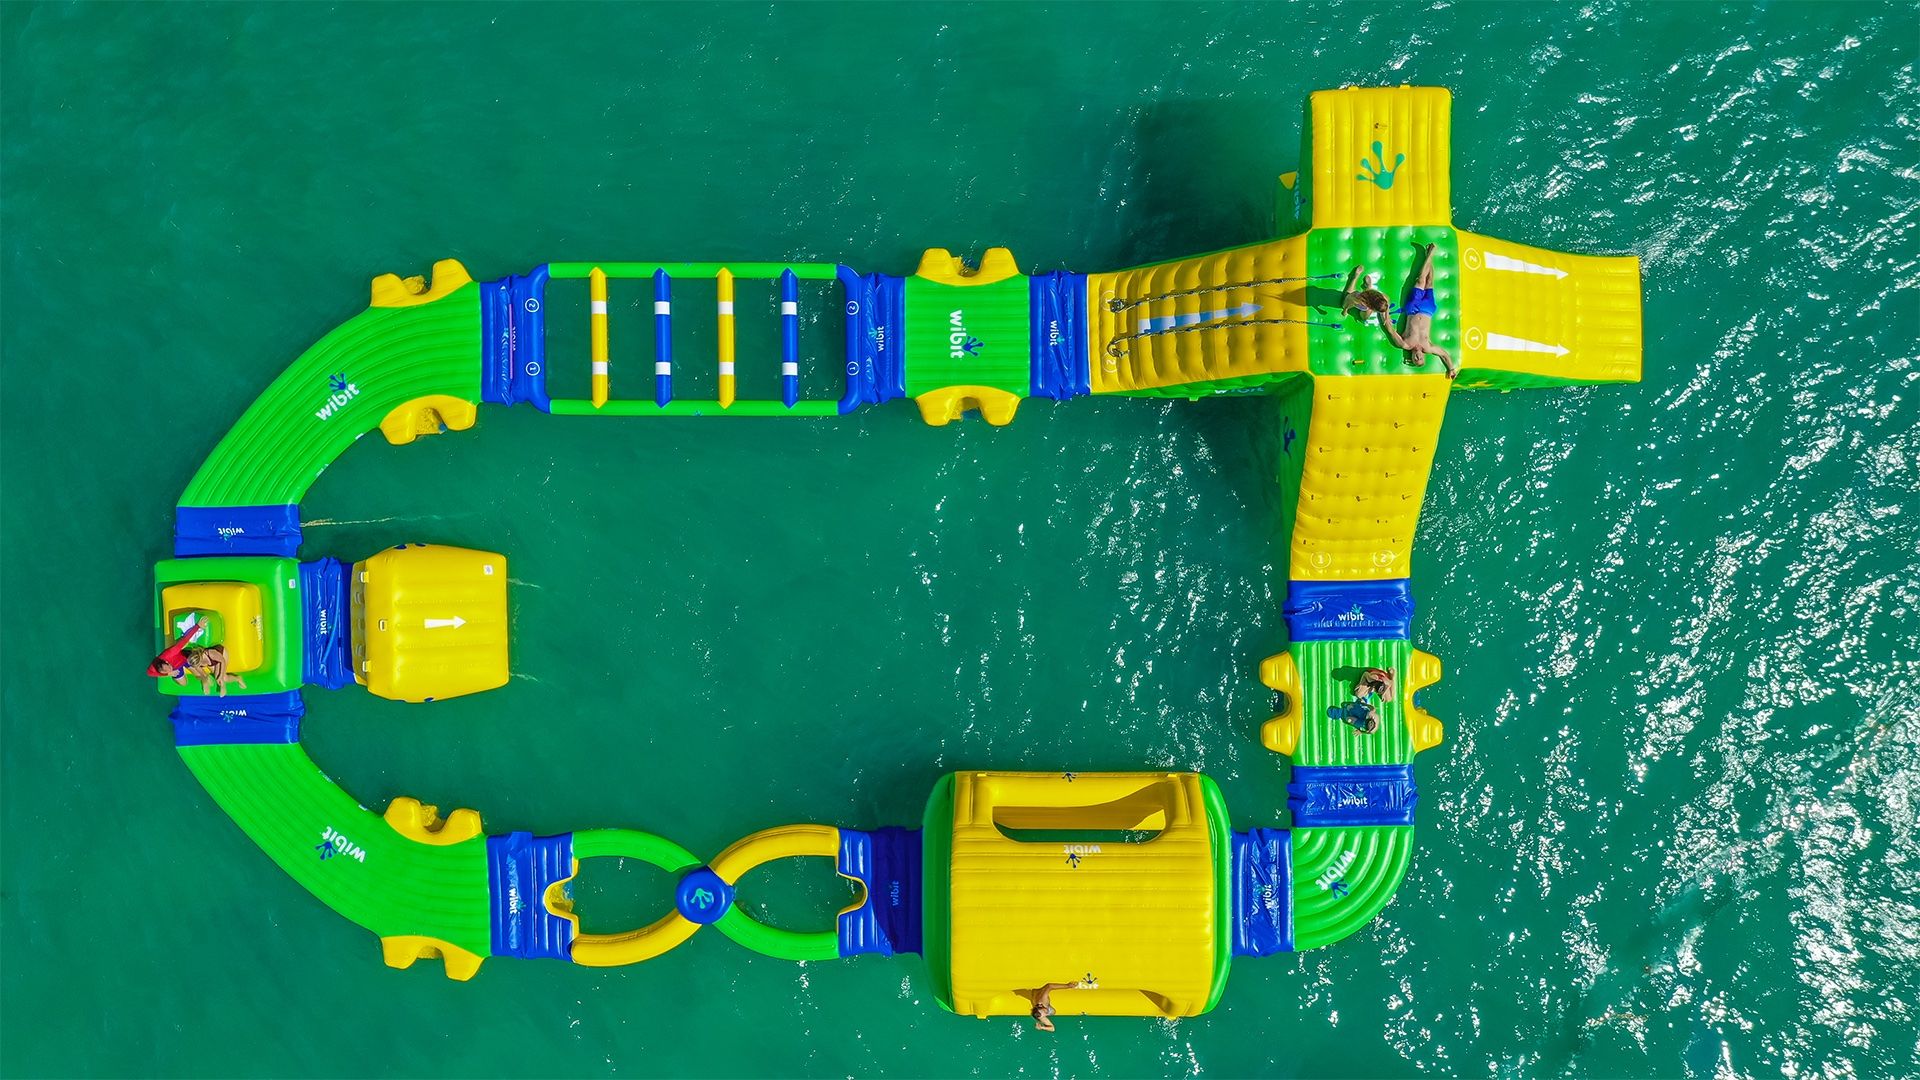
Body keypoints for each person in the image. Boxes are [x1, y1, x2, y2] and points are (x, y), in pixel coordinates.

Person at [156, 643, 248, 697]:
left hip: (221, 655)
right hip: (211, 662)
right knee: (217, 678)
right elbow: (201, 673)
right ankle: (224, 681)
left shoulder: (211, 654)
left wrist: (221, 677)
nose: (196, 667)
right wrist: (205, 680)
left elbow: (222, 661)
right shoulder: (195, 661)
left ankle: (238, 678)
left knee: (223, 678)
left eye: (198, 665)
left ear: (200, 660)